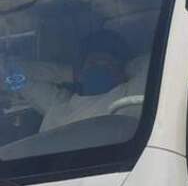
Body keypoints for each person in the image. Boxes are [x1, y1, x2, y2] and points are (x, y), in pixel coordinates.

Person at [15, 30, 146, 132]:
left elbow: (153, 63)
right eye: (92, 63)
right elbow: (10, 75)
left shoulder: (131, 94)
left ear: (122, 71)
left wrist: (127, 68)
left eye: (107, 64)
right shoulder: (58, 105)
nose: (99, 68)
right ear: (79, 71)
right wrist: (69, 73)